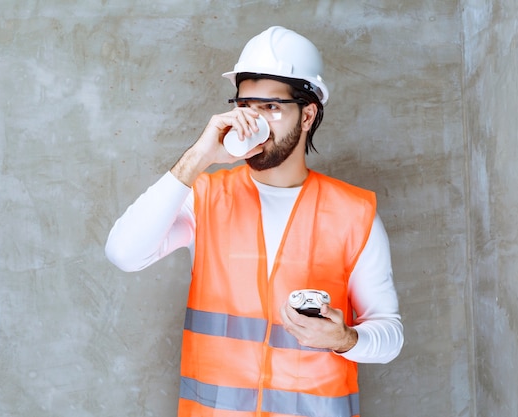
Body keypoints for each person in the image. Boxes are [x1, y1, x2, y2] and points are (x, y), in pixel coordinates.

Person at [105, 26, 403, 417]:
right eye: (247, 105)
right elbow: (123, 253)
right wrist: (199, 156)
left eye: (272, 107)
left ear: (308, 114)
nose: (255, 120)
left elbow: (390, 335)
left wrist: (345, 338)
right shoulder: (206, 197)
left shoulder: (352, 212)